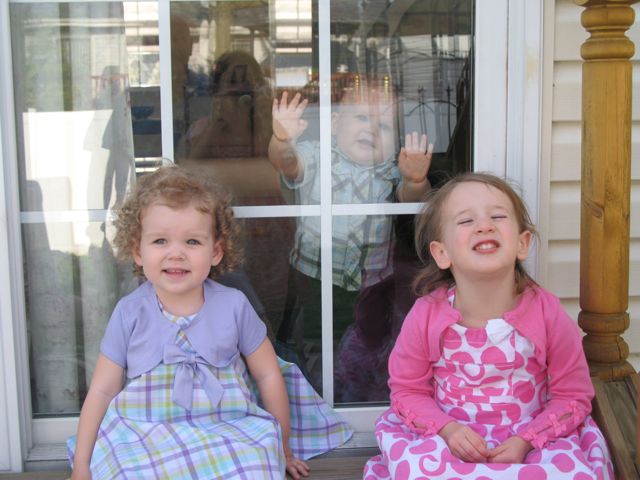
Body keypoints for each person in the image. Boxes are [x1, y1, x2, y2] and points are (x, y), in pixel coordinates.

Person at [67, 166, 352, 479]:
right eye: (160, 241)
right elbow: (102, 390)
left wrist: (283, 447)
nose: (176, 254)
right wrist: (82, 465)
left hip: (225, 428)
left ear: (216, 252)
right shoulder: (130, 312)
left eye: (192, 242)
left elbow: (269, 375)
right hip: (146, 432)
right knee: (125, 468)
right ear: (137, 251)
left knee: (254, 465)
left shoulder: (233, 306)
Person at [364, 172, 613, 479]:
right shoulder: (427, 315)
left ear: (522, 243)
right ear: (442, 253)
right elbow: (407, 390)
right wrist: (447, 430)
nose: (484, 225)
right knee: (419, 470)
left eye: (497, 216)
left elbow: (572, 395)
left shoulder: (546, 313)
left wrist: (527, 440)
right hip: (448, 439)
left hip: (532, 439)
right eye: (466, 220)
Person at [269, 77, 434, 400]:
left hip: (371, 283)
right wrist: (281, 139)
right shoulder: (317, 157)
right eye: (361, 117)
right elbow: (286, 163)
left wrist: (416, 179)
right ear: (334, 124)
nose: (371, 129)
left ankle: (353, 394)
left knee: (367, 341)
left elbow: (413, 200)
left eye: (384, 126)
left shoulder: (391, 170)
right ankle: (313, 395)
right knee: (312, 339)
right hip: (313, 277)